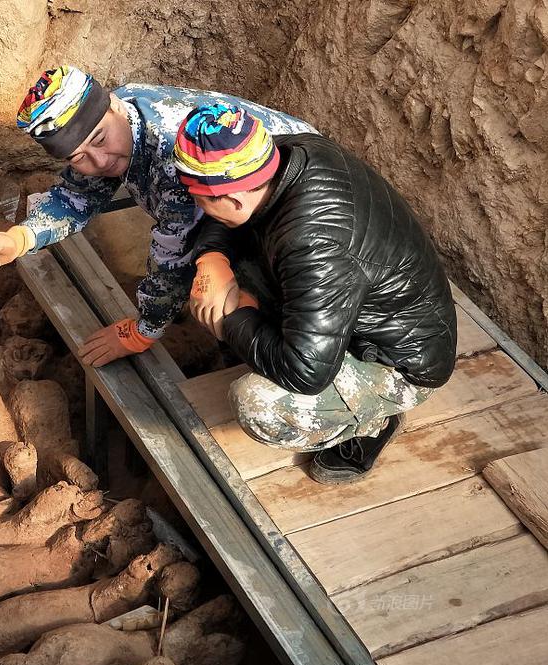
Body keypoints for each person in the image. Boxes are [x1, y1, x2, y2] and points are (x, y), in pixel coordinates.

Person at [0, 65, 316, 366]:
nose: (100, 161)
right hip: (243, 207)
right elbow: (76, 195)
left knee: (228, 302)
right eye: (78, 157)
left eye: (101, 140)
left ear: (114, 106)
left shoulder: (173, 152)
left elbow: (174, 256)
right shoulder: (107, 120)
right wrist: (19, 238)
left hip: (297, 210)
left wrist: (142, 331)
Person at [173, 103, 456, 483]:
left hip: (398, 359)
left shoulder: (314, 244)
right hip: (354, 298)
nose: (198, 207)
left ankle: (372, 424)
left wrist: (234, 321)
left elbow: (305, 373)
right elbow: (224, 216)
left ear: (235, 198)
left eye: (200, 199)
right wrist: (211, 258)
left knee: (257, 404)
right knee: (220, 275)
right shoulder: (291, 152)